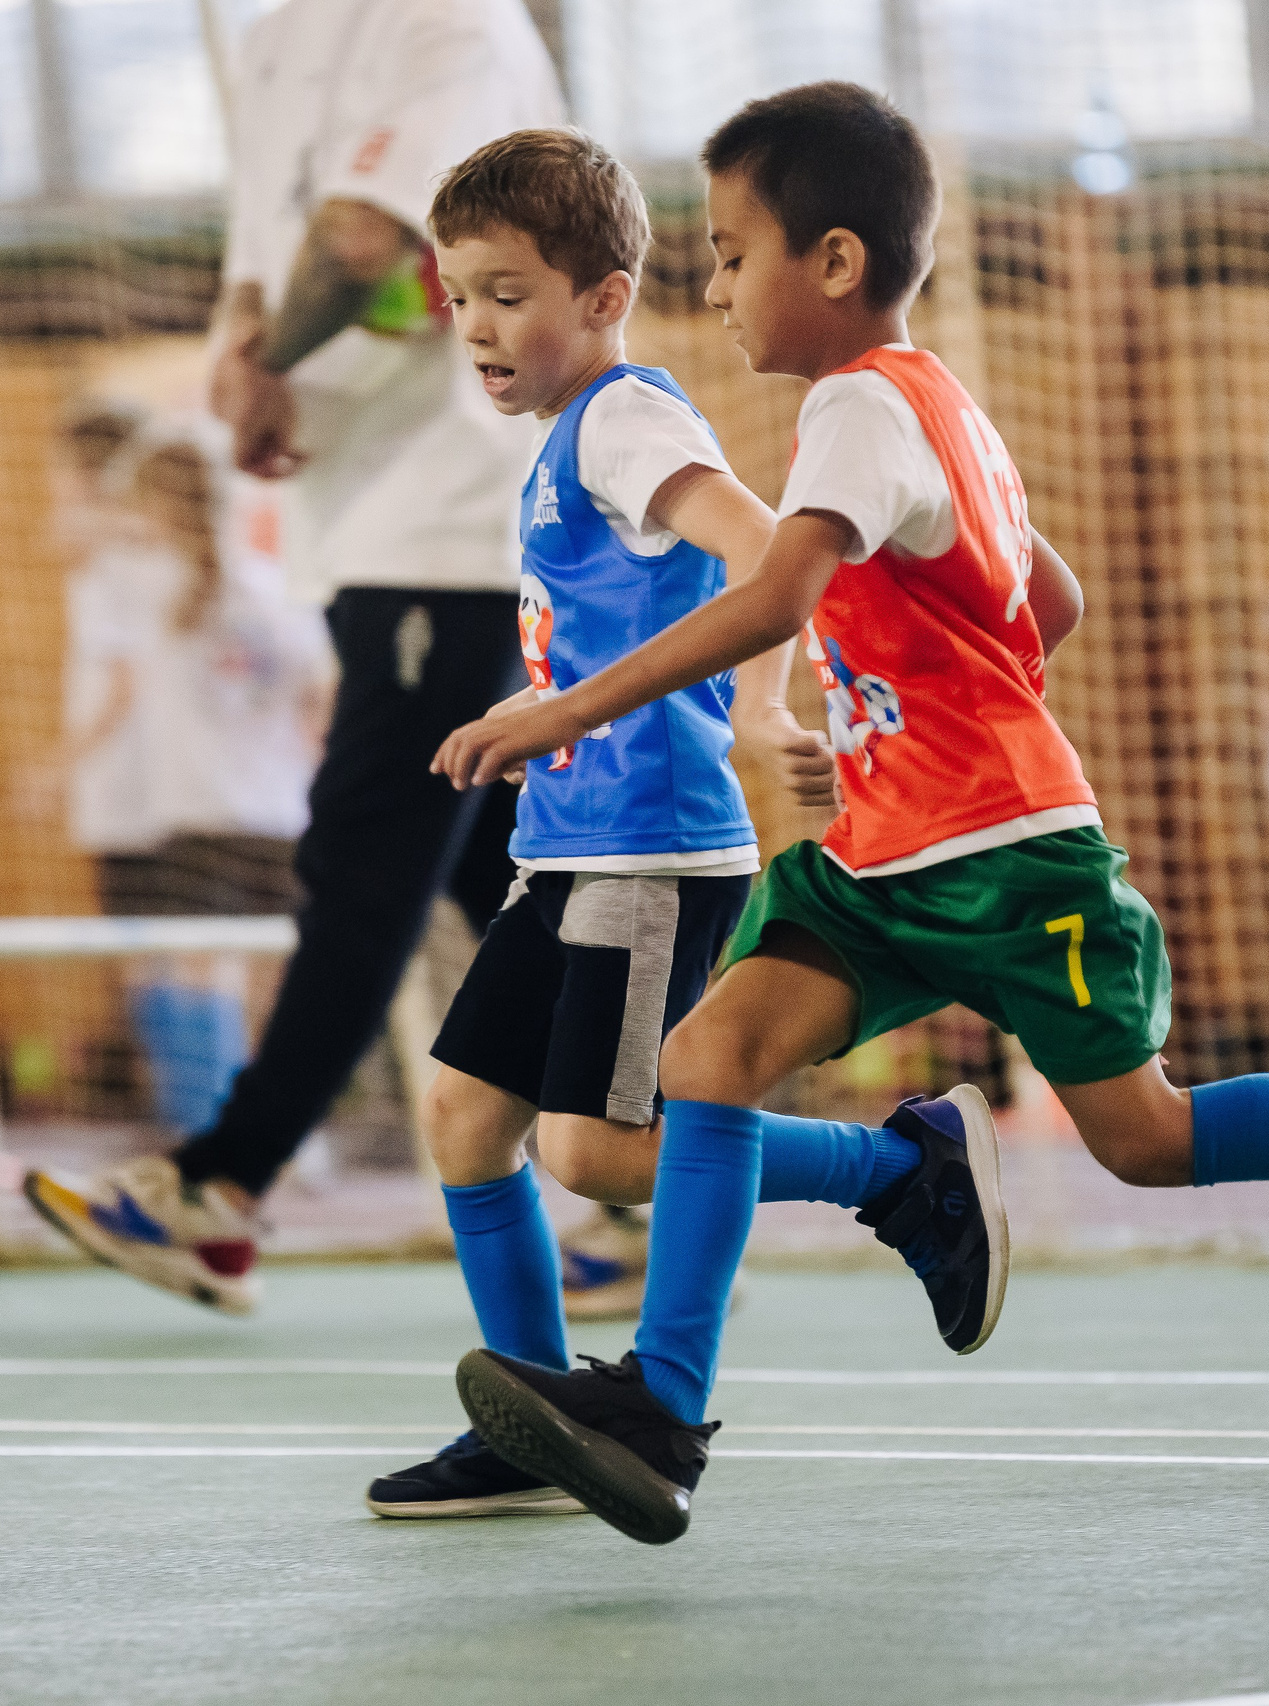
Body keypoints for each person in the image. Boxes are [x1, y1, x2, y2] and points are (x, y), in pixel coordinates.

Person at [430, 82, 1269, 1546]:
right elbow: (1041, 599)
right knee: (711, 1057)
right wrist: (906, 705)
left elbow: (774, 594)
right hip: (885, 852)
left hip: (1004, 856)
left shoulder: (859, 410)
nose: (717, 284)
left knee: (1144, 1135)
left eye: (735, 253)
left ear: (831, 262)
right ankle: (660, 1405)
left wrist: (563, 708)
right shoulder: (936, 406)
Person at [24, 0, 577, 1314]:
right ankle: (662, 1155)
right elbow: (276, 242)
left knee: (370, 857)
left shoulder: (453, 30)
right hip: (357, 515)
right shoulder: (276, 36)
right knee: (509, 864)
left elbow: (370, 237)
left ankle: (224, 1183)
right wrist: (238, 347)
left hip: (449, 517)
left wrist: (267, 365)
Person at [360, 129, 816, 1519]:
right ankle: (530, 1415)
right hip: (571, 846)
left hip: (651, 846)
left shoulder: (624, 419)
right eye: (459, 296)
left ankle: (899, 1165)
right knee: (462, 1119)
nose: (477, 325)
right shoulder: (568, 442)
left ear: (604, 296)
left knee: (595, 1152)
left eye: (507, 291)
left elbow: (769, 549)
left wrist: (756, 713)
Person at [39, 397, 331, 1142]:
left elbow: (75, 540)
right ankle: (289, 1139)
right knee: (272, 993)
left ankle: (213, 1142)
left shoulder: (147, 583)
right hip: (281, 816)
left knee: (200, 976)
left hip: (200, 816)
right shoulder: (270, 587)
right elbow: (322, 692)